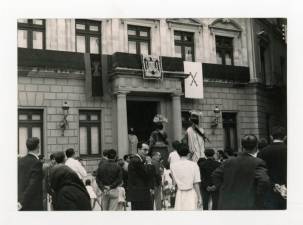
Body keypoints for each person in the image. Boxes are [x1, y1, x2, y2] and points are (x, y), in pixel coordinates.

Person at [212, 134, 270, 210]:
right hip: (248, 205)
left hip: (227, 204)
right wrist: (256, 195)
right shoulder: (258, 162)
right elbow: (264, 181)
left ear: (242, 146)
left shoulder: (229, 161)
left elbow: (215, 175)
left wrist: (223, 189)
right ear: (256, 146)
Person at [257, 126, 287, 209]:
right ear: (285, 137)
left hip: (269, 190)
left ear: (271, 137)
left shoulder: (262, 152)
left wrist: (274, 185)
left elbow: (261, 173)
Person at [170, 143, 202, 210]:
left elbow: (174, 182)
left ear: (178, 153)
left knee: (180, 217)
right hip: (191, 193)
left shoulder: (173, 165)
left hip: (179, 193)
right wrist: (199, 197)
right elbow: (196, 183)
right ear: (188, 153)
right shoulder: (194, 165)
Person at [18, 137, 43, 211]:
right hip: (32, 203)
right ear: (38, 147)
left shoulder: (20, 161)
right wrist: (22, 202)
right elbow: (33, 185)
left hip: (20, 201)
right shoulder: (37, 163)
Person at [127, 143, 154, 210]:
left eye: (148, 150)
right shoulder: (136, 161)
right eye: (145, 150)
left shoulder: (138, 160)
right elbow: (147, 174)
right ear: (138, 149)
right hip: (140, 194)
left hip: (139, 193)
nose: (147, 152)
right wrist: (149, 163)